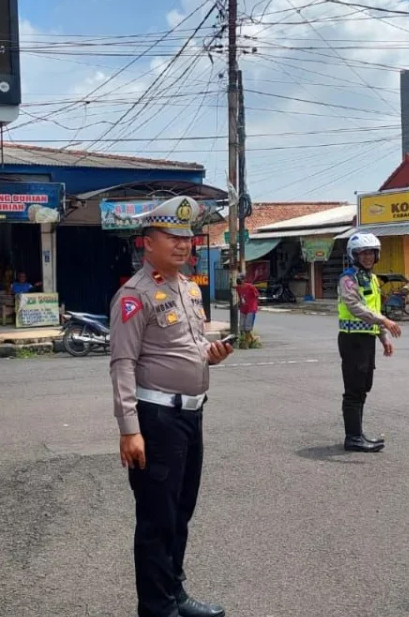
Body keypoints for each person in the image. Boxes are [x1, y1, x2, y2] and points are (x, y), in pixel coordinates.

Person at [109, 195, 234, 617]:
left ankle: (175, 595)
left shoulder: (187, 288)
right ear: (147, 242)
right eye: (172, 236)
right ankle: (157, 608)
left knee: (180, 511)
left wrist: (209, 353)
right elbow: (123, 363)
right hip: (156, 418)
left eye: (188, 236)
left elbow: (188, 344)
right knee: (156, 520)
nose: (183, 244)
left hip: (190, 414)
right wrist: (130, 429)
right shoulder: (134, 295)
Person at [338, 233, 402, 452]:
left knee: (364, 387)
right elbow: (356, 307)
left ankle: (359, 433)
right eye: (362, 253)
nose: (367, 257)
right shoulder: (348, 279)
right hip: (351, 339)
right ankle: (353, 437)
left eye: (371, 253)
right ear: (354, 255)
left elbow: (374, 309)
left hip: (366, 340)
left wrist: (383, 337)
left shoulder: (372, 279)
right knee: (353, 389)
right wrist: (383, 320)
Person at [235, 274, 259, 340]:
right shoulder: (238, 288)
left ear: (244, 280)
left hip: (251, 308)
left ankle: (246, 342)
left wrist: (254, 305)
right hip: (243, 309)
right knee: (241, 327)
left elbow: (256, 296)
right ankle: (247, 339)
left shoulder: (250, 287)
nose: (239, 281)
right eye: (238, 279)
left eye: (241, 279)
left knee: (247, 327)